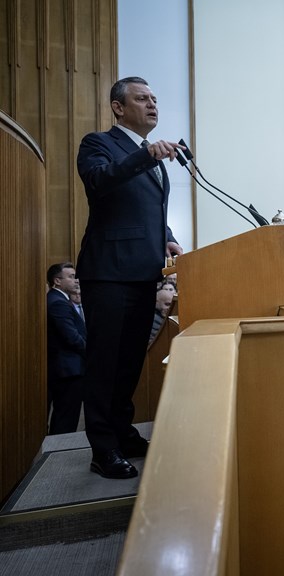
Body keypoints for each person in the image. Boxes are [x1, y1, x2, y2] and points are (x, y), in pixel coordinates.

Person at [76, 77, 183, 479]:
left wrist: (167, 237)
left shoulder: (145, 152)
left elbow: (144, 209)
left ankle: (122, 432)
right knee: (105, 363)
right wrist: (146, 157)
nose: (152, 104)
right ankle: (102, 449)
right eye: (142, 98)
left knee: (129, 364)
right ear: (118, 107)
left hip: (143, 274)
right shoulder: (98, 144)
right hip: (108, 272)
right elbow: (99, 182)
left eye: (155, 98)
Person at [46, 263, 86, 435]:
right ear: (57, 281)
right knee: (66, 418)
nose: (76, 280)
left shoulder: (59, 300)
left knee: (65, 416)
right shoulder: (57, 302)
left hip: (68, 368)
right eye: (70, 276)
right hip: (68, 369)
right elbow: (72, 338)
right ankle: (59, 455)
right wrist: (93, 354)